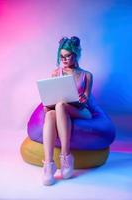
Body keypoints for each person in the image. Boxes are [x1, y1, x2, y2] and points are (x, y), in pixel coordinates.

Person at [42, 36, 93, 185]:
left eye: (67, 56)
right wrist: (47, 105)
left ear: (75, 55)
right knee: (52, 112)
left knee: (61, 105)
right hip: (61, 110)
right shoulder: (55, 73)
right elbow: (52, 96)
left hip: (81, 111)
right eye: (61, 56)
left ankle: (66, 156)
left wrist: (83, 98)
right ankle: (49, 165)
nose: (64, 60)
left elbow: (86, 101)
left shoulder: (87, 76)